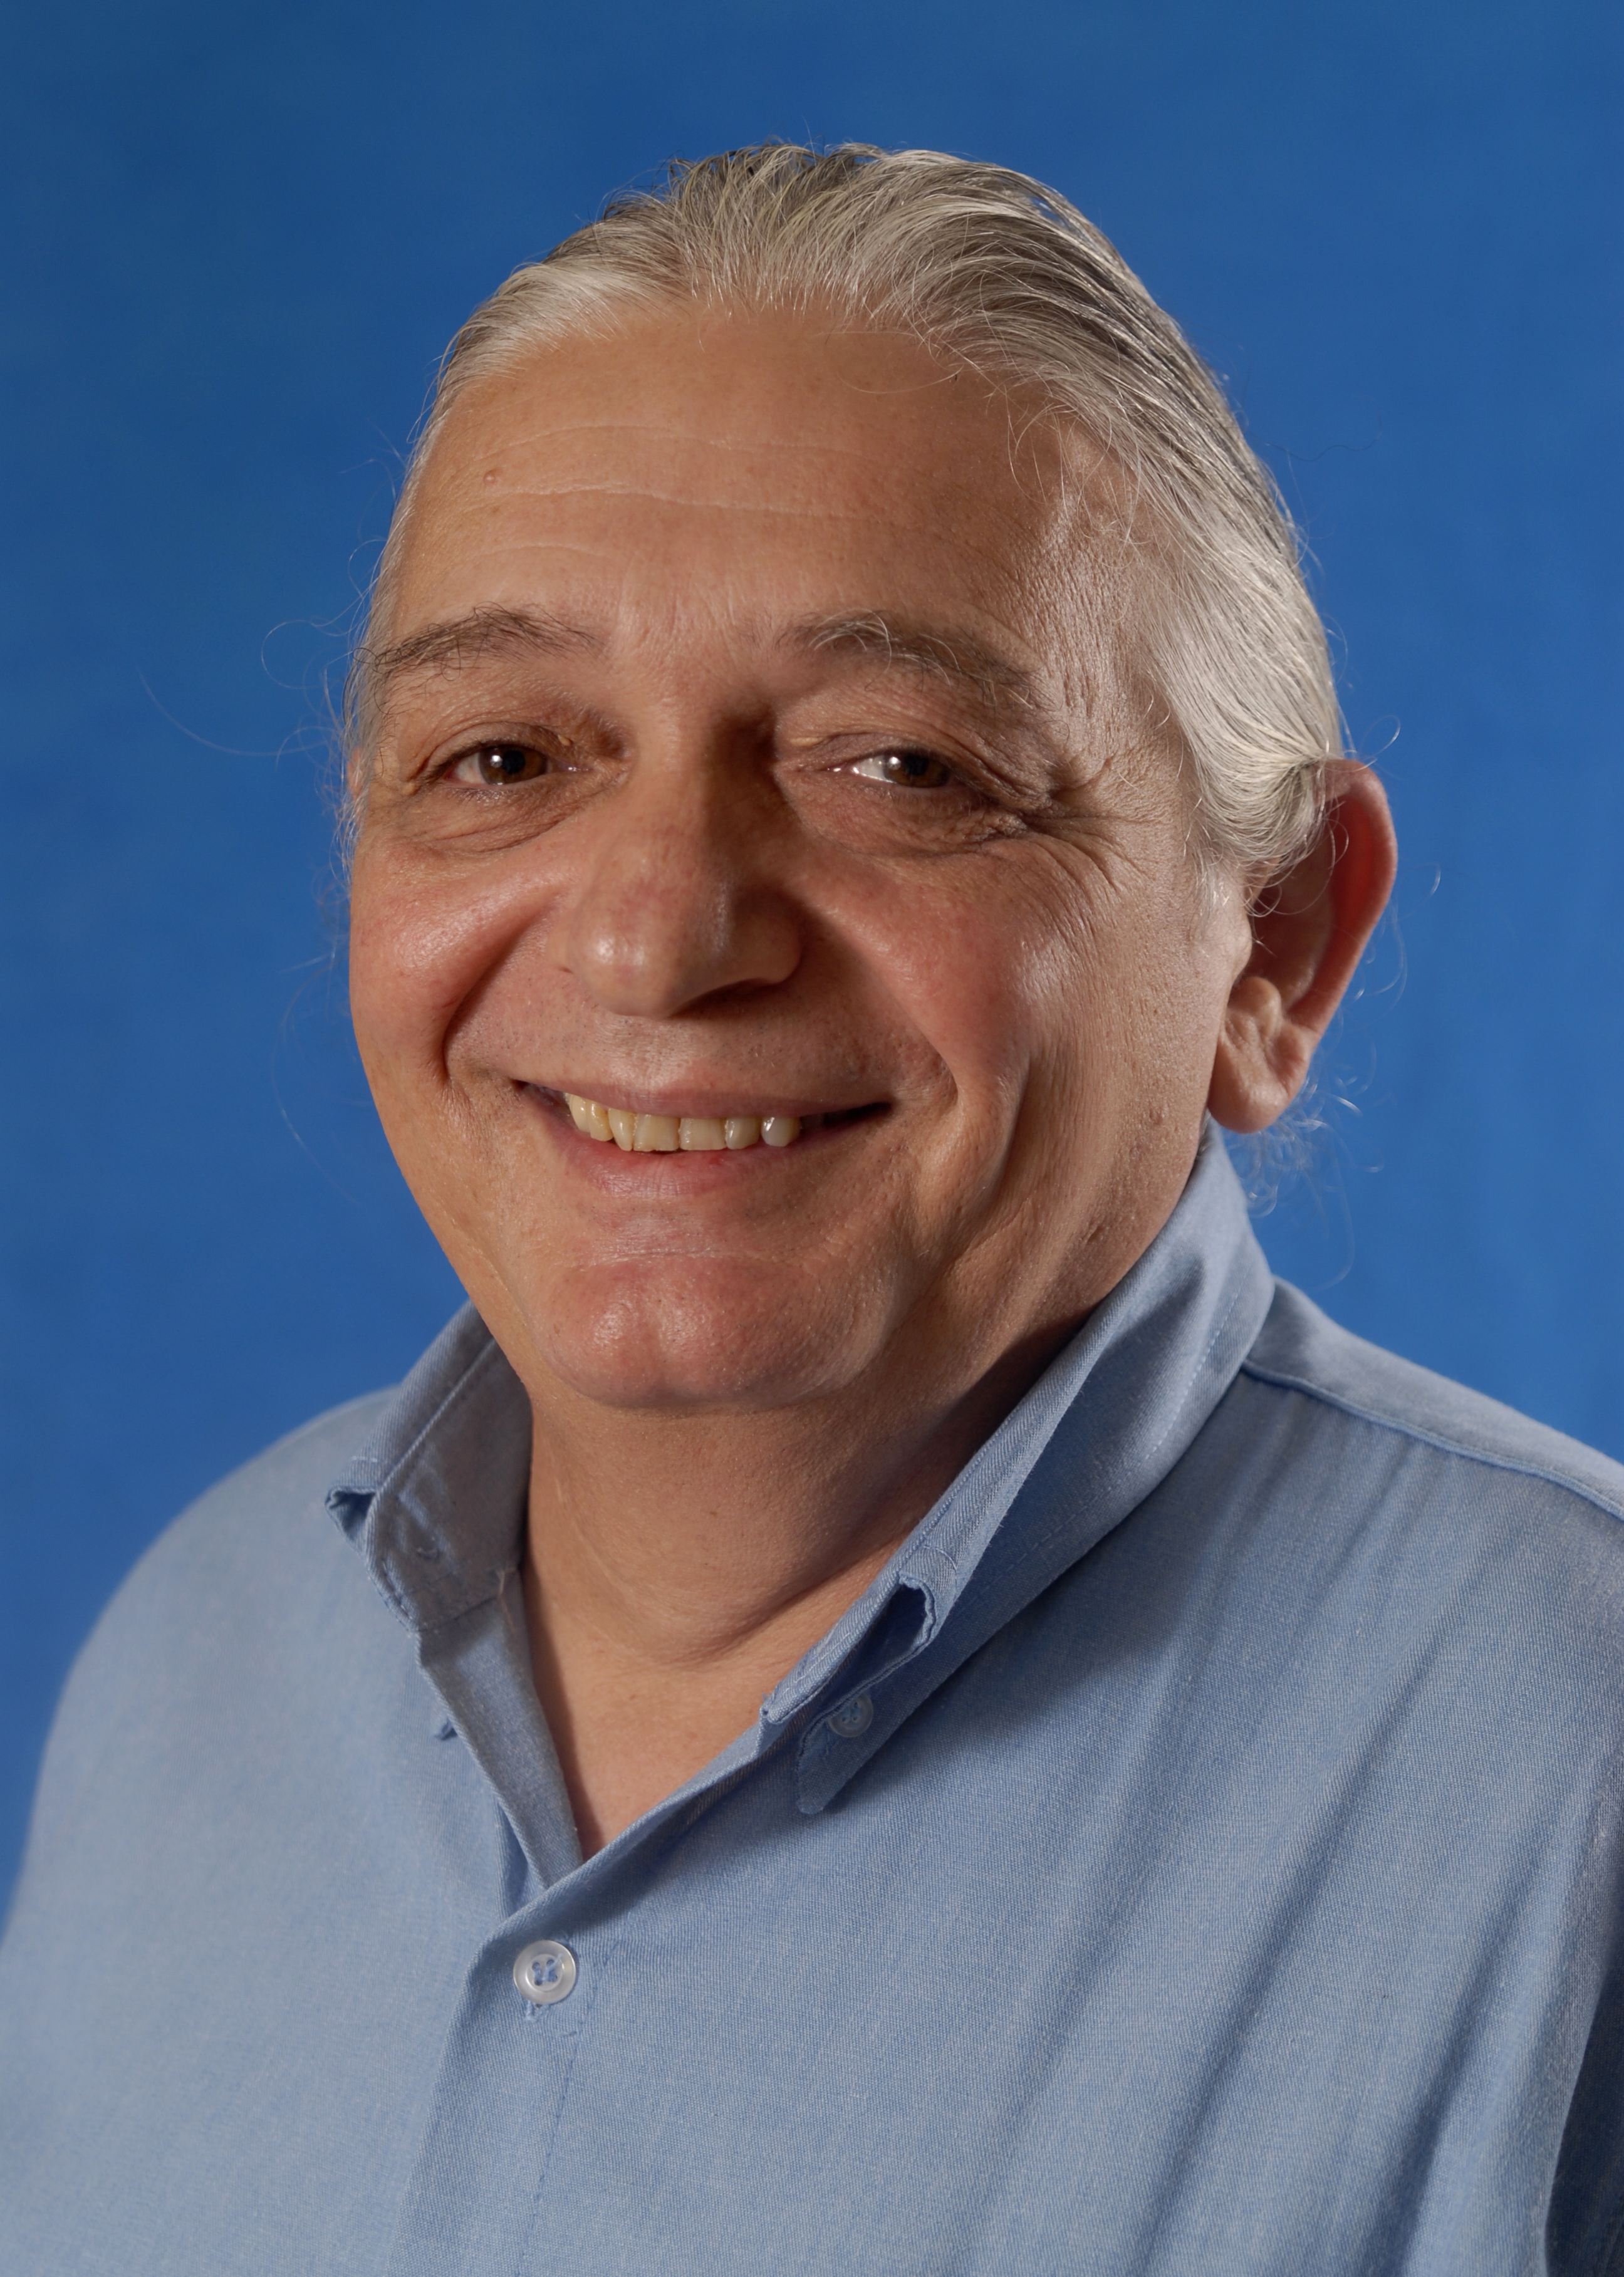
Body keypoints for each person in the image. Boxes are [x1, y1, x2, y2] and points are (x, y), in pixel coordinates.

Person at [3, 142, 1622, 2277]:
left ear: (1278, 948)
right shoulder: (187, 1668)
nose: (661, 935)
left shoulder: (1577, 1780)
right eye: (504, 758)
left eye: (901, 766)